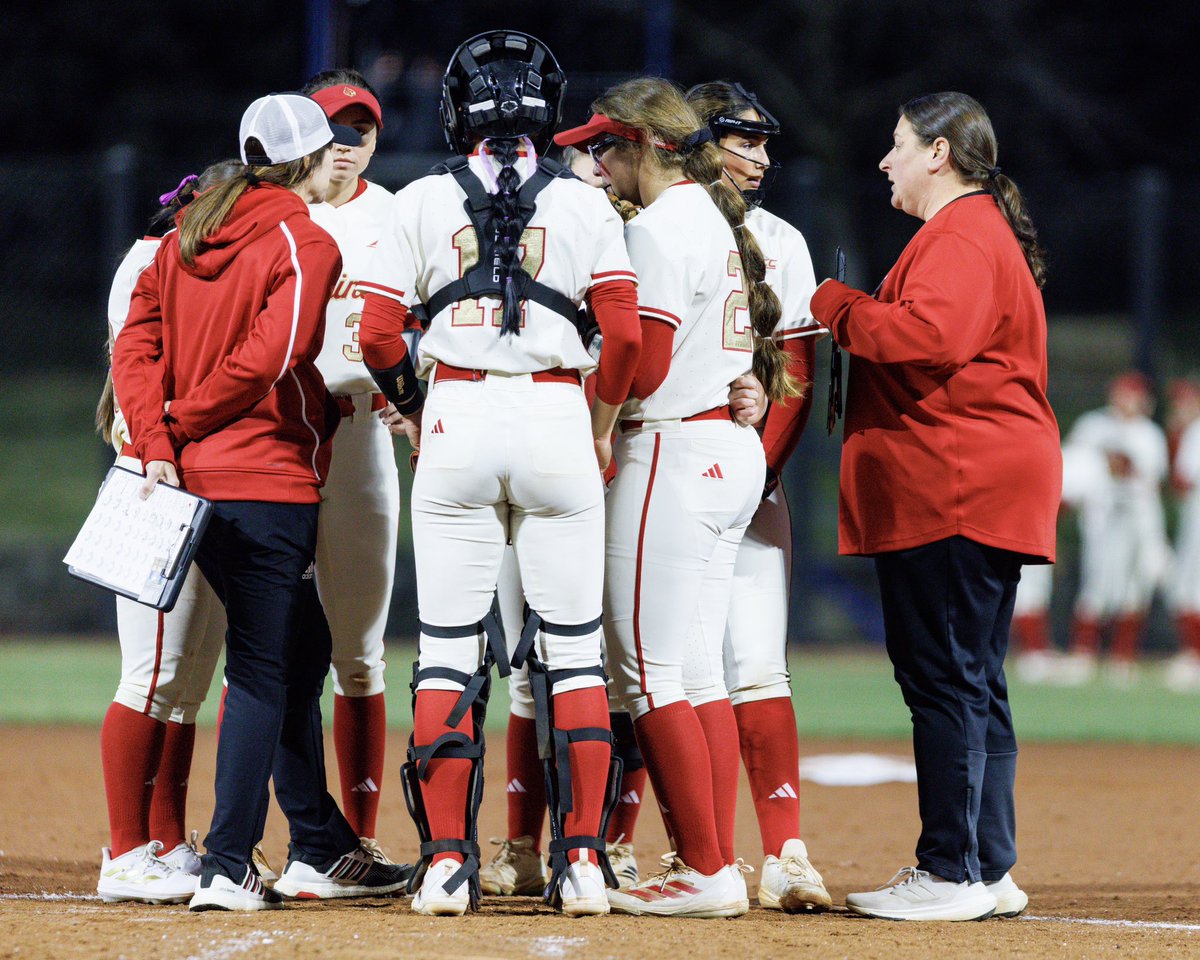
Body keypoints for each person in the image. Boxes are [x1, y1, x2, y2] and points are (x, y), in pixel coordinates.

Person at [357, 30, 642, 918]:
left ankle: (446, 862)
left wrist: (411, 401)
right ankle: (586, 862)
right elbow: (626, 339)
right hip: (559, 414)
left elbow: (374, 334)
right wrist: (598, 421)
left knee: (446, 649)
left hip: (458, 415)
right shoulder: (591, 205)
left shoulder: (416, 198)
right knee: (575, 652)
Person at [112, 92, 408, 911]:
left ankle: (316, 842)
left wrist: (161, 438)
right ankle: (229, 862)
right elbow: (275, 354)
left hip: (193, 478)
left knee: (300, 646)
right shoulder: (303, 237)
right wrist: (183, 419)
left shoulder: (188, 230)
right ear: (310, 159)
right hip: (265, 478)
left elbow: (135, 344)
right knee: (261, 668)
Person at [808, 91, 1060, 921]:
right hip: (976, 480)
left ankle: (950, 869)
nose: (886, 160)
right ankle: (986, 866)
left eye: (899, 145)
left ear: (939, 154)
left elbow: (926, 339)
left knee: (944, 679)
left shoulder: (958, 233)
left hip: (953, 482)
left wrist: (835, 306)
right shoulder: (977, 231)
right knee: (973, 679)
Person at [554, 76, 796, 919]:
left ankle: (704, 867)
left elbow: (644, 362)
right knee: (696, 668)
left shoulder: (660, 227)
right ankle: (716, 861)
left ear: (650, 144)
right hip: (725, 451)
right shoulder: (714, 216)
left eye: (607, 144)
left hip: (671, 447)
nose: (595, 159)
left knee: (645, 669)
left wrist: (590, 413)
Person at [675, 79, 832, 913]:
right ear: (698, 140)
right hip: (664, 472)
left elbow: (799, 376)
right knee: (658, 668)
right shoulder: (651, 222)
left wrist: (758, 470)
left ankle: (785, 853)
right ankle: (675, 849)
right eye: (744, 141)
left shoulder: (779, 238)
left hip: (744, 480)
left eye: (765, 144)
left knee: (757, 663)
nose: (761, 160)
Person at [95, 162, 239, 905]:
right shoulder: (153, 259)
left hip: (202, 480)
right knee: (149, 676)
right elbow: (143, 368)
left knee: (184, 685)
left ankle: (166, 843)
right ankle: (124, 853)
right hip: (153, 484)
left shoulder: (190, 258)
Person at [1058, 373, 1169, 686]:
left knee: (1135, 588)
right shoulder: (1093, 425)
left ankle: (1123, 658)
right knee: (1096, 583)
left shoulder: (1149, 433)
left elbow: (1151, 478)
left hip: (1139, 517)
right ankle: (1083, 654)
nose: (1126, 400)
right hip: (1102, 515)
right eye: (1122, 393)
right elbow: (1073, 465)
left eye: (1132, 395)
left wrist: (1124, 466)